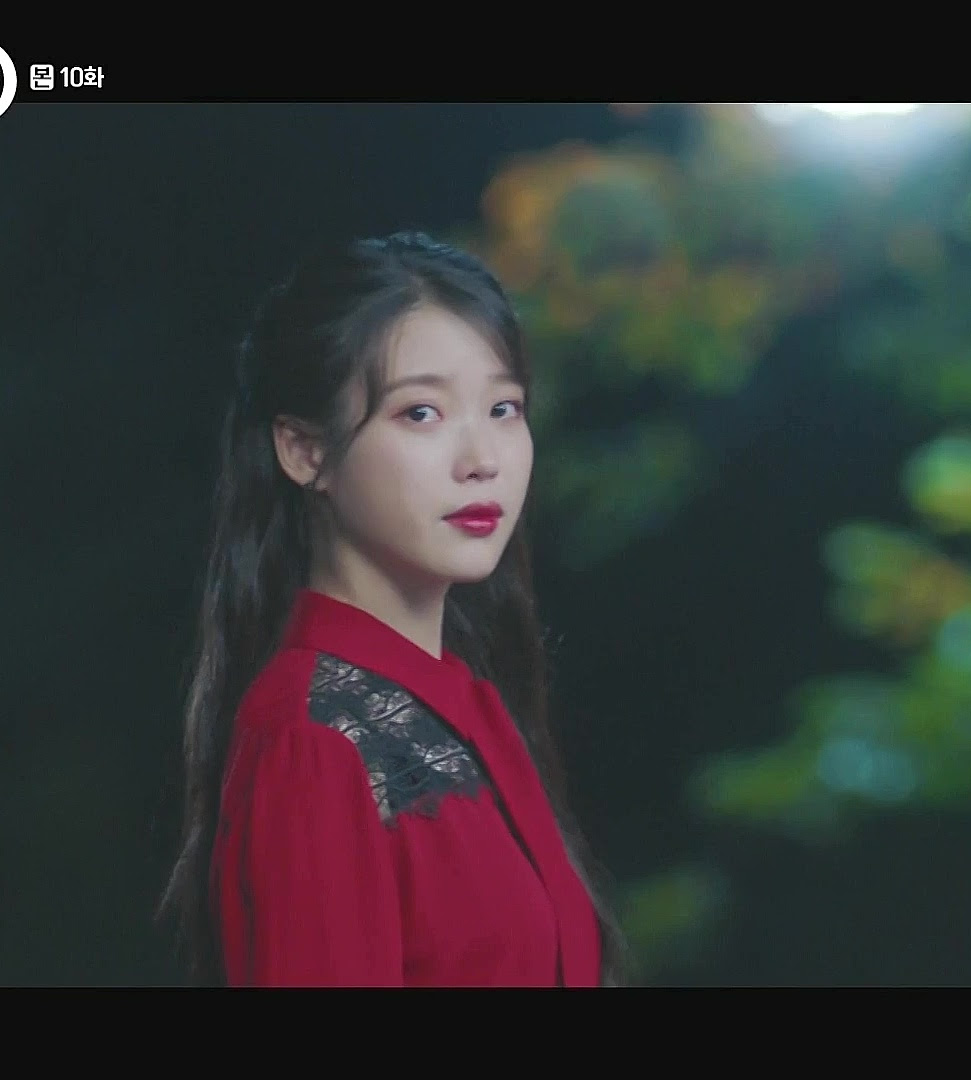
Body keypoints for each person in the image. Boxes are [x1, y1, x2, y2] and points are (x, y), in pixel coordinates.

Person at [159, 232, 623, 986]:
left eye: (503, 408)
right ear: (304, 450)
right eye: (422, 413)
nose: (482, 459)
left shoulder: (470, 707)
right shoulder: (316, 743)